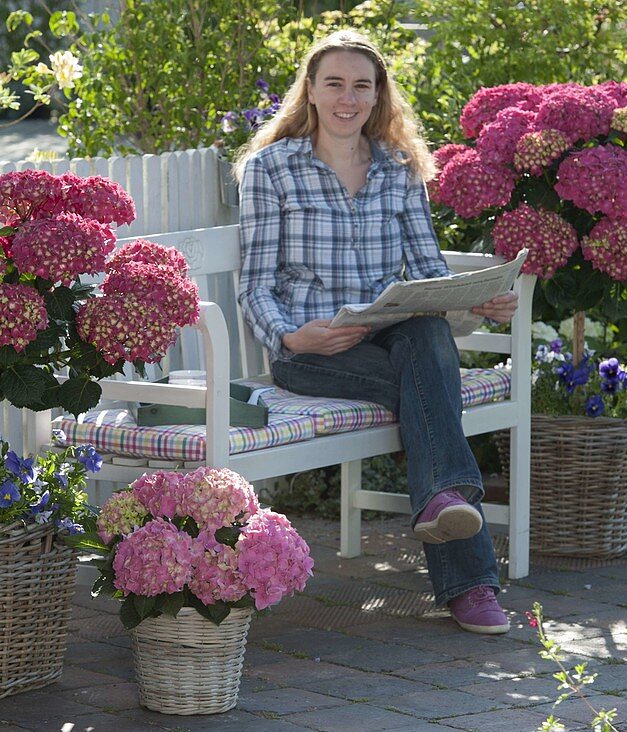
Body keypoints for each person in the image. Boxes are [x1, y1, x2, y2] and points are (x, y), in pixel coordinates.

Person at [234, 30, 519, 634]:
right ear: (309, 91)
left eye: (362, 85)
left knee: (429, 336)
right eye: (333, 83)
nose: (348, 97)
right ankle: (468, 579)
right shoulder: (269, 169)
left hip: (391, 338)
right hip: (312, 353)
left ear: (378, 94)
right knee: (432, 386)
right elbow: (254, 284)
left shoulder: (400, 170)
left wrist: (478, 302)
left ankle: (445, 505)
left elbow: (429, 275)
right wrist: (292, 337)